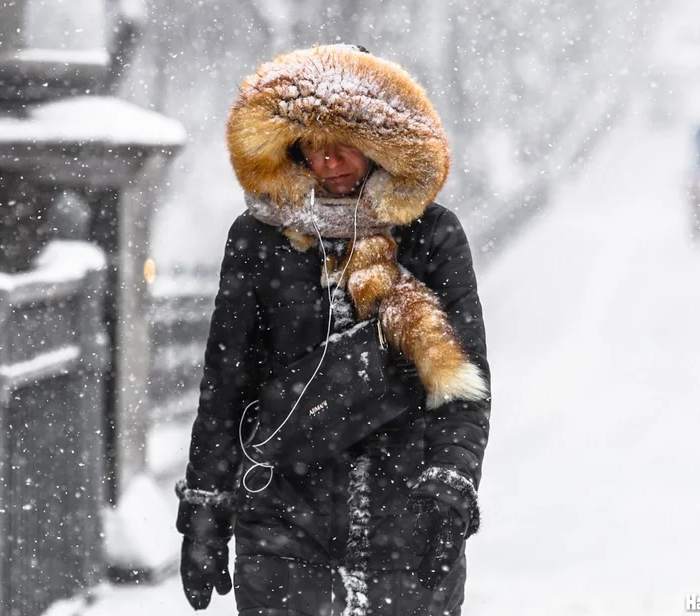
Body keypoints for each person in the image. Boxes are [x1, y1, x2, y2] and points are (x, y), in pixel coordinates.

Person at [175, 44, 492, 616]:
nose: (328, 163)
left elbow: (464, 384)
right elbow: (226, 383)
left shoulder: (433, 237)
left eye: (343, 144)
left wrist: (451, 479)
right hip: (281, 513)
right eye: (311, 148)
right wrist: (204, 509)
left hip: (406, 515)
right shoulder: (259, 239)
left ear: (380, 142)